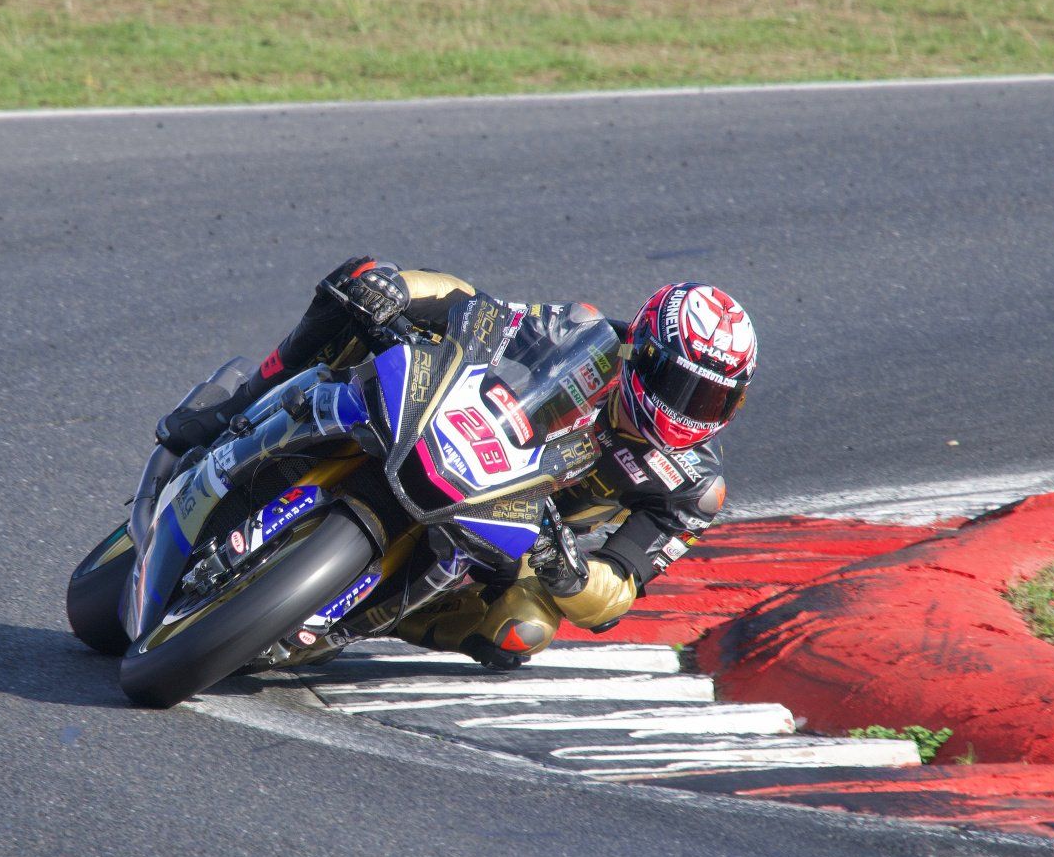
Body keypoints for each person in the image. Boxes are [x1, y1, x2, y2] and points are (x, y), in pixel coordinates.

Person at [157, 257, 757, 668]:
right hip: (458, 441)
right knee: (364, 281)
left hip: (522, 533)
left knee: (524, 631)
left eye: (712, 399)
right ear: (645, 351)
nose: (689, 412)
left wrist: (568, 571)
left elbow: (619, 590)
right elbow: (481, 312)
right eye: (680, 388)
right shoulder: (586, 334)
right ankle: (238, 405)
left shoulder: (690, 488)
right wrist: (400, 290)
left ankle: (354, 614)